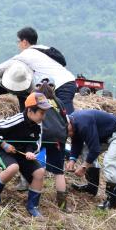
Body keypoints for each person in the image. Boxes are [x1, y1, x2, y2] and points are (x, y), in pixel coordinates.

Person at [0, 27, 76, 125]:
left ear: (24, 42)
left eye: (18, 41)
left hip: (61, 85)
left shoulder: (27, 54)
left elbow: (3, 67)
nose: (18, 44)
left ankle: (74, 137)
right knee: (64, 117)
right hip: (68, 81)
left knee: (67, 120)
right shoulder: (45, 49)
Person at [0, 92, 49, 217]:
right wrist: (3, 144)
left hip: (23, 154)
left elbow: (36, 143)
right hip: (2, 151)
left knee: (39, 172)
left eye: (45, 113)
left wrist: (31, 152)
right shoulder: (16, 120)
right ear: (30, 110)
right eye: (41, 113)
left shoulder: (38, 126)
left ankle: (33, 205)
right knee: (13, 167)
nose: (44, 117)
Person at [66, 109, 116, 209]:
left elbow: (95, 149)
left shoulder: (83, 123)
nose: (68, 134)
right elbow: (76, 141)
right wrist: (72, 159)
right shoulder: (73, 122)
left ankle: (112, 201)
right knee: (85, 151)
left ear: (68, 123)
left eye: (68, 131)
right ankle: (91, 187)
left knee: (110, 161)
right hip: (105, 135)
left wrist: (84, 167)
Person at [34, 77, 70, 210]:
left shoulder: (34, 98)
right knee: (59, 172)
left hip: (41, 134)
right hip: (58, 138)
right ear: (53, 88)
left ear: (37, 86)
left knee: (35, 165)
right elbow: (66, 121)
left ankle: (33, 200)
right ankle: (63, 205)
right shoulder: (58, 101)